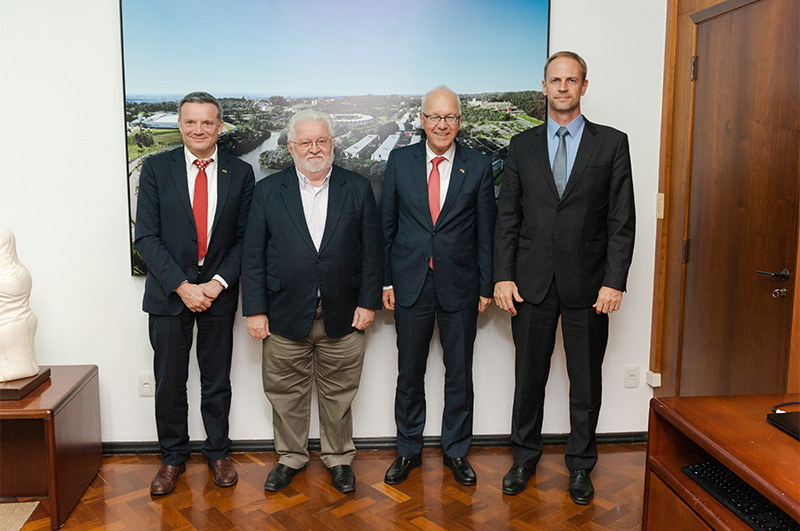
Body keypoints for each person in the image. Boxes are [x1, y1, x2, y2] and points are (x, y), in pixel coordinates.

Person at [493, 51, 635, 503]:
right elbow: (507, 218)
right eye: (555, 80)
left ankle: (580, 467)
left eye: (570, 80)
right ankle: (524, 459)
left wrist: (614, 281)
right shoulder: (521, 145)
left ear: (583, 87)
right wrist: (502, 276)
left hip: (590, 285)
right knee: (528, 378)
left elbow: (621, 220)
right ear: (544, 86)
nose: (562, 87)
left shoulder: (611, 143)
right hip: (529, 284)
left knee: (585, 381)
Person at [241, 110, 383, 494]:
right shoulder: (269, 190)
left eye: (322, 141)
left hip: (345, 313)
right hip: (283, 313)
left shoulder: (357, 187)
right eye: (306, 142)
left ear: (333, 144)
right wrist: (254, 309)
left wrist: (369, 302)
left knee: (340, 393)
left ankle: (339, 460)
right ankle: (291, 457)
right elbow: (252, 254)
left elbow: (373, 251)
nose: (315, 148)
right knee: (285, 392)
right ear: (291, 148)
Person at [135, 91, 255, 496]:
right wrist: (184, 287)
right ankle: (172, 458)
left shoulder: (241, 173)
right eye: (191, 122)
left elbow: (245, 240)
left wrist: (216, 284)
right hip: (170, 295)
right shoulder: (155, 168)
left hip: (219, 294)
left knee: (216, 379)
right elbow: (146, 238)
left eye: (208, 122)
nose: (199, 130)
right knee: (169, 381)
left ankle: (218, 452)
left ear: (220, 126)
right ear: (180, 124)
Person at [381, 86, 495, 486]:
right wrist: (385, 281)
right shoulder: (399, 161)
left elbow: (486, 232)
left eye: (450, 117)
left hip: (461, 286)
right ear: (422, 120)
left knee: (459, 375)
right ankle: (408, 451)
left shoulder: (478, 166)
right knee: (409, 374)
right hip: (410, 284)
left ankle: (456, 452)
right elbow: (387, 228)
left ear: (459, 122)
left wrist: (485, 287)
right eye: (435, 117)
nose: (442, 124)